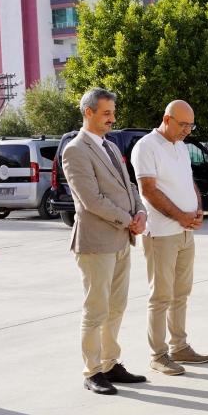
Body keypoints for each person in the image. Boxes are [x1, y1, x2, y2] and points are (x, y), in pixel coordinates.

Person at [61, 88, 148, 395]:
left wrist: (140, 212)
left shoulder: (110, 147)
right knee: (96, 308)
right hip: (96, 242)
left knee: (117, 307)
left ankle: (111, 363)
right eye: (106, 113)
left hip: (122, 239)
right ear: (88, 113)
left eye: (113, 112)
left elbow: (129, 186)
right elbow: (91, 200)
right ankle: (92, 370)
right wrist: (129, 220)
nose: (112, 118)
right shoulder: (75, 150)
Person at [130, 100, 208, 376]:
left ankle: (179, 346)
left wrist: (198, 209)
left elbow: (189, 184)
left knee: (181, 293)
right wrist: (179, 215)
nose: (187, 130)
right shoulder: (146, 147)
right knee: (161, 296)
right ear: (167, 118)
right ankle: (158, 354)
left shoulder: (180, 147)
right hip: (162, 234)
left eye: (191, 125)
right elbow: (149, 190)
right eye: (182, 124)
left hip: (186, 231)